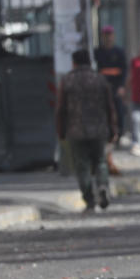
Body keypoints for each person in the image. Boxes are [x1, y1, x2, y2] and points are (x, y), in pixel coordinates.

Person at [55, 49, 118, 213]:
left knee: (82, 165)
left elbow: (60, 108)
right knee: (101, 162)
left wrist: (60, 131)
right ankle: (103, 186)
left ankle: (90, 200)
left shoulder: (67, 80)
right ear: (90, 63)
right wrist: (113, 128)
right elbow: (110, 106)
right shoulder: (100, 79)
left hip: (76, 131)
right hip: (99, 129)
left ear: (74, 63)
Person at [94, 25, 127, 136]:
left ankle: (120, 133)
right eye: (106, 35)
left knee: (119, 111)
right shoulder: (98, 52)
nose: (108, 38)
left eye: (110, 35)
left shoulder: (119, 52)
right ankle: (107, 133)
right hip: (102, 87)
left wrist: (122, 86)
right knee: (104, 111)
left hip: (116, 86)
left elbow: (124, 70)